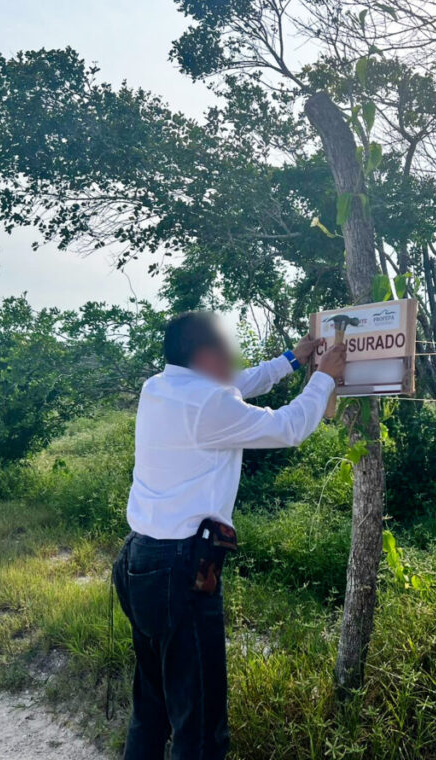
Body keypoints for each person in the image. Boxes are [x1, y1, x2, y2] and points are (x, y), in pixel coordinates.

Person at [113, 310, 347, 760]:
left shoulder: (159, 387)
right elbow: (289, 428)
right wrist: (325, 380)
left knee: (152, 708)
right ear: (206, 355)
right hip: (181, 573)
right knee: (199, 728)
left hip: (138, 562)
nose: (233, 357)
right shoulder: (208, 403)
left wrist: (291, 361)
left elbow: (236, 383)